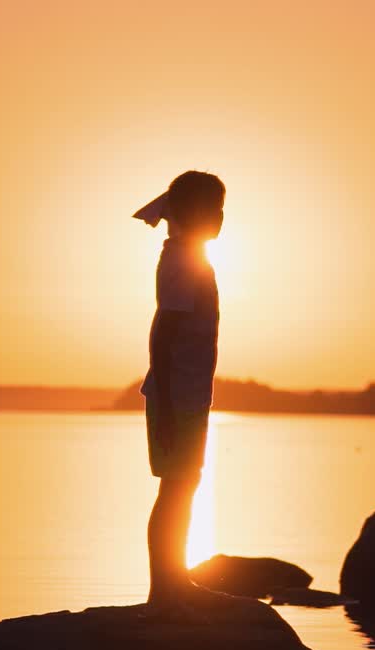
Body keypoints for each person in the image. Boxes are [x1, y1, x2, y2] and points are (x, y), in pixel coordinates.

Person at [132, 171, 225, 613]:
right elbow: (163, 333)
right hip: (176, 398)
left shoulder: (192, 259)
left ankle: (175, 580)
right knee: (175, 488)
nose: (221, 217)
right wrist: (167, 404)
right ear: (191, 214)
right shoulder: (182, 262)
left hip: (187, 397)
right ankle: (166, 589)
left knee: (184, 485)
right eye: (213, 209)